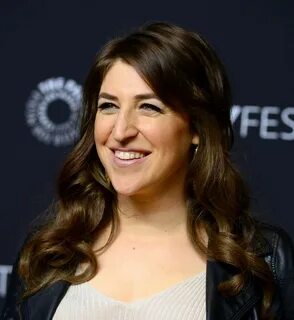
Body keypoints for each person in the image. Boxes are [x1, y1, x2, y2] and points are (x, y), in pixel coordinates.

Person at [1, 22, 294, 320]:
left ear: (196, 127)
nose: (120, 131)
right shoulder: (46, 253)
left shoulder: (263, 260)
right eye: (109, 106)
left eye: (149, 107)